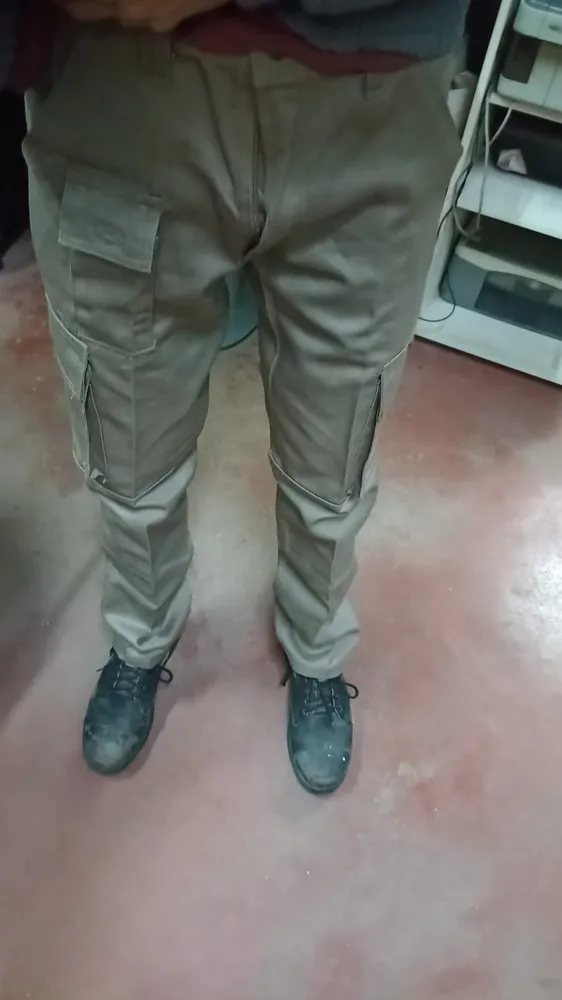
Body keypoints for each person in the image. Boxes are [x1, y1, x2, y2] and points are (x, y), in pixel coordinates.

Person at [16, 0, 465, 792]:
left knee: (336, 446)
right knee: (126, 433)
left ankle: (316, 651)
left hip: (375, 82)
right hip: (122, 83)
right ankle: (140, 639)